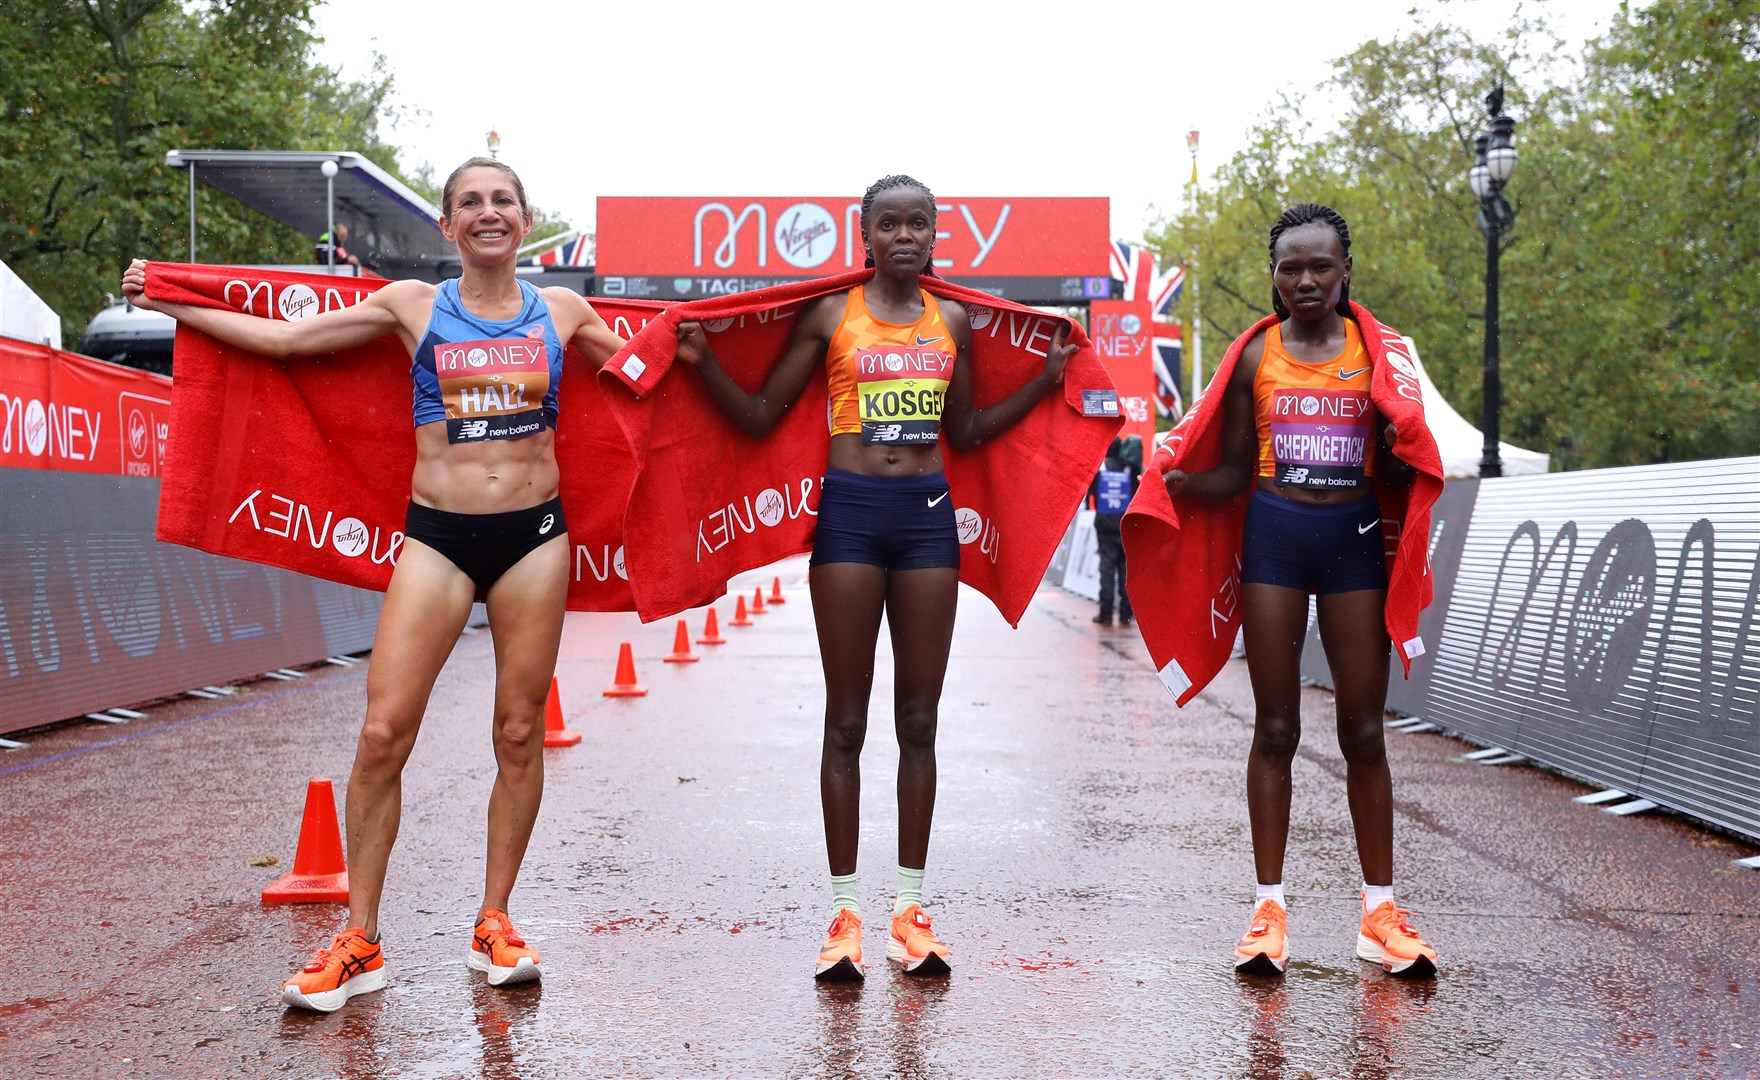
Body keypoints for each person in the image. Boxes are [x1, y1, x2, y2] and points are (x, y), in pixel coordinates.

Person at [122, 156, 626, 1011]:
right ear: (449, 225)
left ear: (524, 215)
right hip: (437, 537)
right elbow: (284, 339)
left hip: (535, 539)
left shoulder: (566, 312)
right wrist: (170, 297)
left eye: (503, 200)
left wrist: (722, 342)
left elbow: (655, 374)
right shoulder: (412, 307)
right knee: (384, 731)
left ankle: (494, 921)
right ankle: (361, 938)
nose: (489, 212)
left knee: (517, 732)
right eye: (471, 202)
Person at [673, 175, 1075, 981]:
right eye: (887, 223)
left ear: (934, 236)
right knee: (847, 723)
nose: (902, 235)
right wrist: (704, 364)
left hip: (927, 521)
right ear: (865, 236)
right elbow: (758, 417)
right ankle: (846, 912)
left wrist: (1042, 383)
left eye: (916, 223)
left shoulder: (951, 319)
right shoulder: (833, 315)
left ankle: (909, 911)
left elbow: (963, 428)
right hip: (851, 519)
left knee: (919, 721)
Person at [1160, 204, 1437, 978]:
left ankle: (1378, 913)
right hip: (1275, 541)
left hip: (1351, 546)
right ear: (1272, 278)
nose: (1306, 279)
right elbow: (1234, 471)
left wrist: (1398, 451)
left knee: (1363, 733)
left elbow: (1403, 470)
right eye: (1291, 268)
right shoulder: (1254, 359)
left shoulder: (1381, 357)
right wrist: (1181, 481)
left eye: (1320, 265)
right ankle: (1267, 910)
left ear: (1347, 270)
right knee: (1274, 728)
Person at [1089, 435, 1141, 626]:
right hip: (1125, 527)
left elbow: (1092, 493)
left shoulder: (1099, 469)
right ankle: (1126, 614)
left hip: (1104, 527)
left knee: (1107, 570)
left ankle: (1106, 614)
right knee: (1125, 571)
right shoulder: (1130, 469)